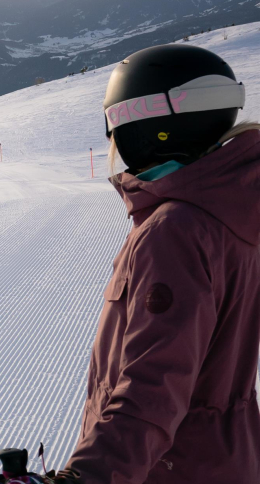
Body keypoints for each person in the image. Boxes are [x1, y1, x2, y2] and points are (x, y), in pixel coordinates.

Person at [55, 44, 259, 483]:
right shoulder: (231, 206)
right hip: (223, 458)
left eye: (117, 126)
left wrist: (85, 477)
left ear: (149, 127)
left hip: (168, 467)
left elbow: (153, 386)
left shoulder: (176, 230)